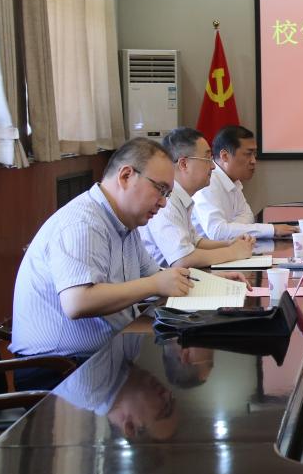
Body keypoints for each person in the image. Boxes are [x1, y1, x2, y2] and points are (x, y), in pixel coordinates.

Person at [10, 138, 196, 374]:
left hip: (106, 354)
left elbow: (157, 276)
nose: (163, 203)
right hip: (60, 369)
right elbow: (78, 302)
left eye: (167, 194)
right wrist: (154, 284)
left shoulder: (126, 224)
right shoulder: (83, 223)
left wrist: (215, 284)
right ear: (126, 176)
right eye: (160, 190)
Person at [140, 127, 257, 268]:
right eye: (207, 159)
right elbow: (182, 259)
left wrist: (229, 243)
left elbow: (195, 242)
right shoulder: (167, 201)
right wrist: (233, 252)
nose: (213, 166)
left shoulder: (182, 197)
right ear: (184, 164)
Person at [194, 125, 297, 240]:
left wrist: (230, 228)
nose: (253, 161)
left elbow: (248, 216)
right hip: (208, 250)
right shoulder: (208, 183)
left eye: (254, 154)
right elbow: (217, 232)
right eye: (248, 154)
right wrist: (272, 230)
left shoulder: (234, 181)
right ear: (225, 156)